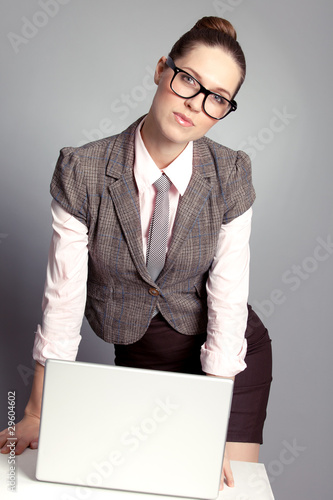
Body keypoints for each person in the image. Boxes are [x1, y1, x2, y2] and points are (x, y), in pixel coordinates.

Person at [0, 16, 272, 490]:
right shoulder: (83, 170)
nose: (195, 104)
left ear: (224, 110)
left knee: (223, 488)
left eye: (217, 98)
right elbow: (63, 301)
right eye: (188, 79)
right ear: (162, 70)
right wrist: (38, 411)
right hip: (142, 357)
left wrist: (207, 424)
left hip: (226, 360)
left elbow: (228, 301)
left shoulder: (230, 173)